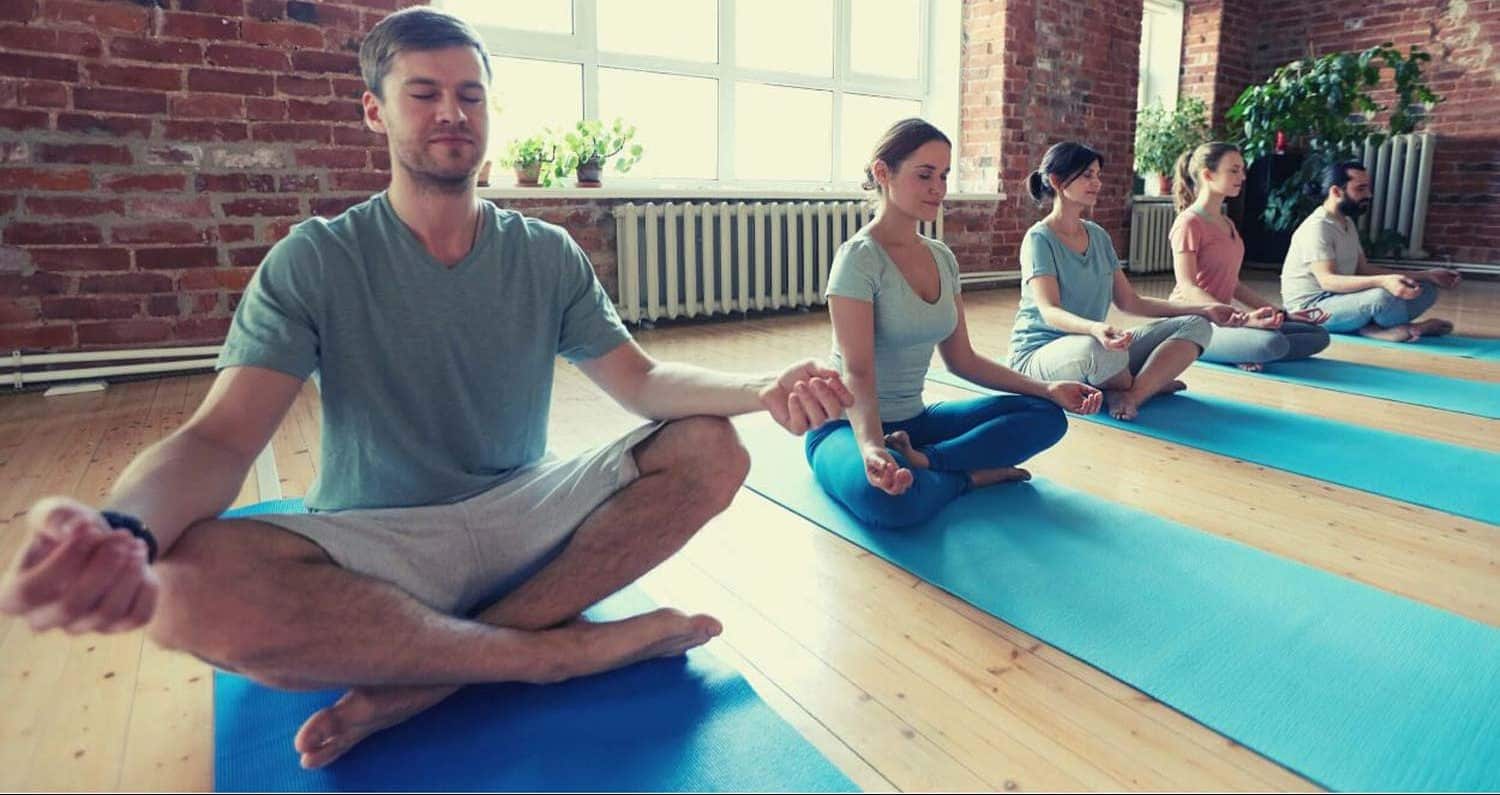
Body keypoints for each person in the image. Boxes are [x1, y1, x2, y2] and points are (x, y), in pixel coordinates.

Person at [0, 7, 853, 771]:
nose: (452, 113)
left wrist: (761, 385)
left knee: (711, 445)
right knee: (179, 589)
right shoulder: (317, 259)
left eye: (470, 95)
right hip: (378, 543)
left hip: (524, 514)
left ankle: (424, 679)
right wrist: (119, 529)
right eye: (424, 94)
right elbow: (219, 440)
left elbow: (644, 380)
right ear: (376, 111)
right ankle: (548, 652)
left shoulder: (546, 253)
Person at [806, 119, 1102, 529]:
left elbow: (962, 360)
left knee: (1045, 414)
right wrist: (872, 447)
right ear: (882, 173)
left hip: (918, 425)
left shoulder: (942, 257)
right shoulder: (859, 259)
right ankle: (969, 477)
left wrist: (1047, 389)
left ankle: (931, 462)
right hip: (846, 428)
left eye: (944, 175)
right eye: (924, 175)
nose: (938, 188)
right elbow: (857, 371)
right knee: (893, 500)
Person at [1007, 142, 1244, 420]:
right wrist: (1095, 329)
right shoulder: (1039, 239)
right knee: (1102, 351)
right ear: (1058, 181)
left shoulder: (1098, 236)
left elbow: (1130, 302)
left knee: (1197, 325)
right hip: (1039, 354)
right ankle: (1145, 384)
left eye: (1097, 175)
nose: (1097, 182)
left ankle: (1132, 393)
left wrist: (1202, 309)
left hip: (1096, 343)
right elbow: (1049, 311)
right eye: (1087, 175)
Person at [1169, 142, 1330, 371]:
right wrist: (1243, 319)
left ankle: (1238, 346)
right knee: (1271, 343)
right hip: (1192, 322)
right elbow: (1188, 288)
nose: (1242, 177)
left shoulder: (1227, 223)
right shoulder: (1188, 223)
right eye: (1233, 170)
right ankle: (1224, 348)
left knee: (1317, 335)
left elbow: (1233, 284)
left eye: (1242, 170)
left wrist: (1282, 313)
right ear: (1207, 175)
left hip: (1225, 321)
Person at [1280, 160, 1461, 342]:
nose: (1369, 194)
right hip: (1312, 309)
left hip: (1343, 299)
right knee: (1383, 298)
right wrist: (1383, 282)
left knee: (1426, 289)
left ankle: (1372, 327)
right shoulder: (1317, 227)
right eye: (1360, 189)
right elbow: (1328, 281)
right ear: (1336, 192)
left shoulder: (1346, 222)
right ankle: (1380, 329)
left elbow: (1363, 269)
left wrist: (1426, 275)